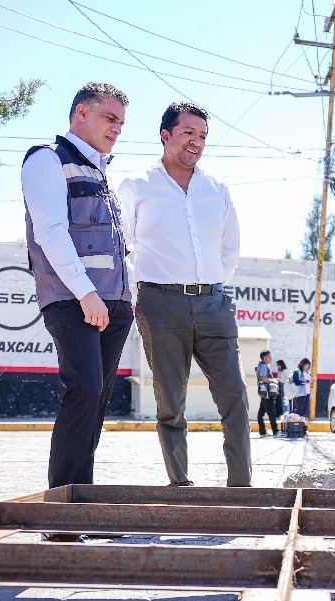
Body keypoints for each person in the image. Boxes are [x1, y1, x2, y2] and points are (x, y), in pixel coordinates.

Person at [117, 101, 250, 488]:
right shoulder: (137, 186)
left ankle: (240, 490)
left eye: (203, 136)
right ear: (166, 135)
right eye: (188, 133)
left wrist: (208, 286)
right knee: (170, 403)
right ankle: (181, 486)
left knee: (235, 399)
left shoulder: (217, 190)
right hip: (161, 306)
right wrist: (144, 292)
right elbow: (121, 246)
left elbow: (230, 249)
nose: (197, 142)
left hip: (214, 304)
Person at [21, 82, 133, 490]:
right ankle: (61, 511)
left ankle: (81, 503)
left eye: (121, 122)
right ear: (81, 113)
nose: (117, 128)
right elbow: (51, 231)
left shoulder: (101, 172)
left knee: (96, 402)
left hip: (114, 304)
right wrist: (87, 294)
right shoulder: (46, 160)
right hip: (75, 300)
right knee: (84, 390)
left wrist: (126, 298)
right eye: (110, 118)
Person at [255, 350, 280, 437]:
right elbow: (264, 378)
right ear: (265, 358)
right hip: (267, 392)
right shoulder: (264, 366)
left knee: (261, 413)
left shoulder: (261, 365)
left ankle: (262, 431)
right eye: (270, 356)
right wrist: (274, 381)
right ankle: (275, 431)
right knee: (271, 412)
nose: (271, 358)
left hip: (264, 392)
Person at [274, 359, 289, 425]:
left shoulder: (285, 371)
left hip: (284, 385)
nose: (278, 366)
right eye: (277, 365)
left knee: (285, 399)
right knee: (280, 399)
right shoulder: (279, 371)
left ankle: (286, 412)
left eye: (278, 365)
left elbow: (288, 379)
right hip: (279, 385)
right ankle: (283, 413)